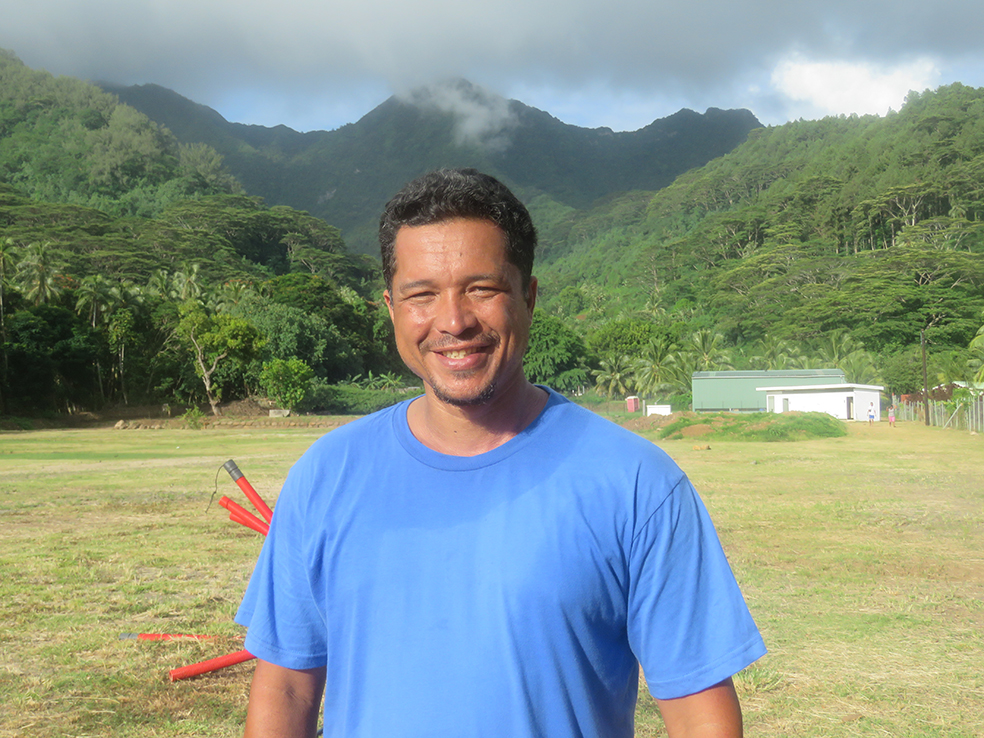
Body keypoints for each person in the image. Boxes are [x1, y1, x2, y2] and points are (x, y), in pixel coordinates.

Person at [236, 169, 766, 738]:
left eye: (481, 288)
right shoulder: (325, 475)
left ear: (529, 297)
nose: (454, 321)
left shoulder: (637, 484)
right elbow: (286, 690)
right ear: (390, 307)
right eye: (422, 295)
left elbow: (700, 717)